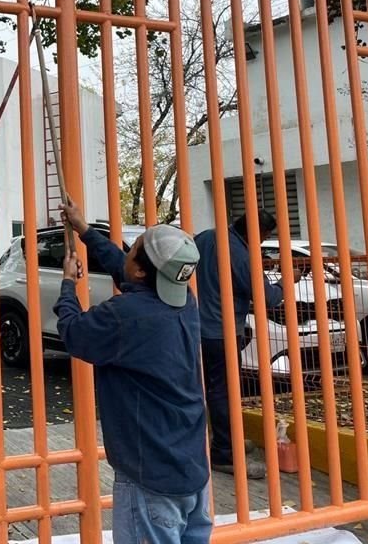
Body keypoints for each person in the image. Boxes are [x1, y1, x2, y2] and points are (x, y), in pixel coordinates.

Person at [55, 202, 211, 544]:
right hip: (191, 470)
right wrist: (84, 230)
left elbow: (74, 333)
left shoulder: (126, 315)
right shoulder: (183, 301)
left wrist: (68, 285)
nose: (128, 248)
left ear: (141, 271)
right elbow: (126, 270)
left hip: (149, 472)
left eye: (135, 246)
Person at [194, 209, 301, 480]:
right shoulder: (242, 255)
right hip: (222, 331)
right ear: (260, 234)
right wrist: (288, 281)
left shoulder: (205, 238)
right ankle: (225, 452)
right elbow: (268, 297)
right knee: (223, 392)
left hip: (194, 327)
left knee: (205, 388)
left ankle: (223, 441)